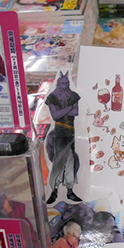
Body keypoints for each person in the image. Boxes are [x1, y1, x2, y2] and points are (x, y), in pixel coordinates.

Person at [44, 71, 82, 203]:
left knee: (70, 160)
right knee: (58, 161)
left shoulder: (73, 96)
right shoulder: (52, 97)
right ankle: (54, 191)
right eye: (62, 83)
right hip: (59, 133)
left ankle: (70, 191)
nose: (65, 85)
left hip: (70, 132)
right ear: (58, 83)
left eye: (66, 83)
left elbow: (76, 112)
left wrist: (62, 111)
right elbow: (55, 116)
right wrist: (69, 108)